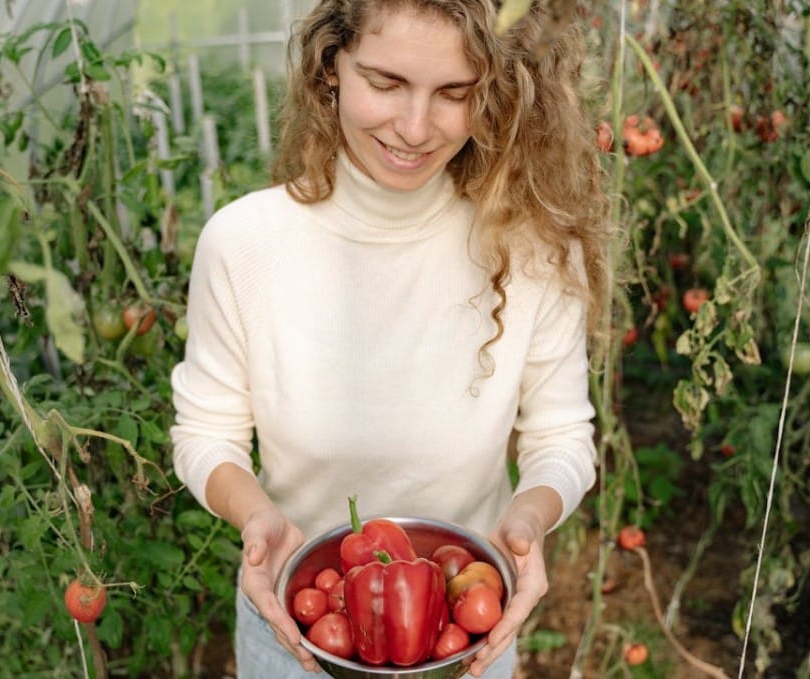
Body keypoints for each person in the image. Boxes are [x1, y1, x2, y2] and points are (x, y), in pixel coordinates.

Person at [170, 0, 609, 676]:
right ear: (330, 68)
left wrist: (529, 515)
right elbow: (206, 434)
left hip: (464, 632)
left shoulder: (533, 248)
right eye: (385, 83)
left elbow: (562, 438)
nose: (414, 128)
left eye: (454, 94)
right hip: (296, 626)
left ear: (495, 93)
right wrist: (257, 518)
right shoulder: (244, 243)